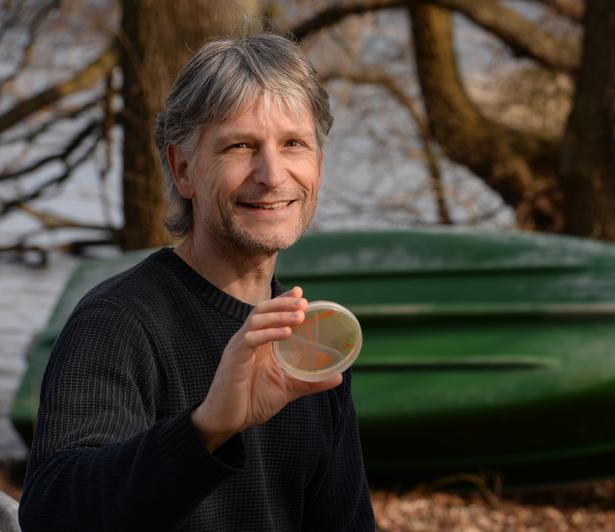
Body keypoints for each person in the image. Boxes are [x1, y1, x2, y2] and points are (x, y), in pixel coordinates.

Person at [18, 33, 375, 531]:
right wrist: (206, 428)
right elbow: (51, 513)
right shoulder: (119, 322)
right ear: (182, 168)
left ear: (318, 161)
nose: (272, 174)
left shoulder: (311, 339)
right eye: (240, 146)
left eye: (294, 143)